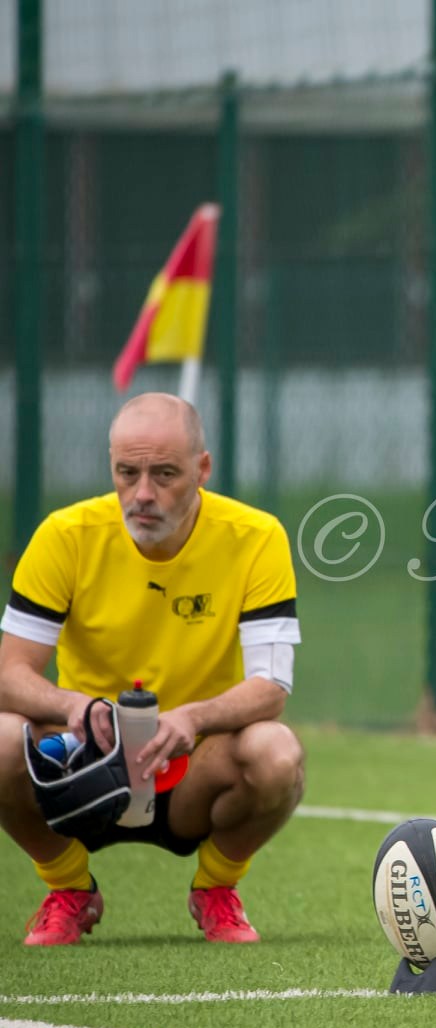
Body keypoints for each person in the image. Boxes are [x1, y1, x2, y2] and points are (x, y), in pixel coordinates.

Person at [0, 393, 305, 945]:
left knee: (276, 752)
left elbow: (271, 687)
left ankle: (216, 887)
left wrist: (193, 718)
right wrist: (75, 706)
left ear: (202, 469)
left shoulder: (257, 537)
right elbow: (8, 674)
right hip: (81, 766)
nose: (143, 493)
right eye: (127, 472)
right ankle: (69, 888)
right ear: (111, 467)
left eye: (165, 474)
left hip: (196, 769)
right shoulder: (64, 536)